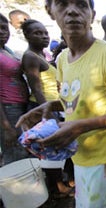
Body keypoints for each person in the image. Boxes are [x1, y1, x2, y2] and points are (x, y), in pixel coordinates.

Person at [17, 0, 106, 207]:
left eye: (81, 5)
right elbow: (74, 98)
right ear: (51, 12)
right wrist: (51, 105)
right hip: (82, 157)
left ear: (92, 15)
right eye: (62, 4)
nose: (72, 11)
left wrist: (78, 126)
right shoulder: (61, 60)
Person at [20, 18, 73, 199]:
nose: (44, 36)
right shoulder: (30, 57)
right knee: (50, 148)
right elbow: (36, 89)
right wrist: (49, 115)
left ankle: (61, 183)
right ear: (27, 36)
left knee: (56, 146)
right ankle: (57, 188)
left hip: (52, 105)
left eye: (45, 33)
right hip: (42, 107)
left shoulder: (42, 56)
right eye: (37, 33)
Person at [0, 13, 30, 167]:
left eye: (4, 28)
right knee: (15, 154)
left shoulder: (7, 51)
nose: (2, 32)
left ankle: (34, 189)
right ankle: (21, 189)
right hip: (8, 110)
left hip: (20, 108)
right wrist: (6, 126)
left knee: (25, 149)